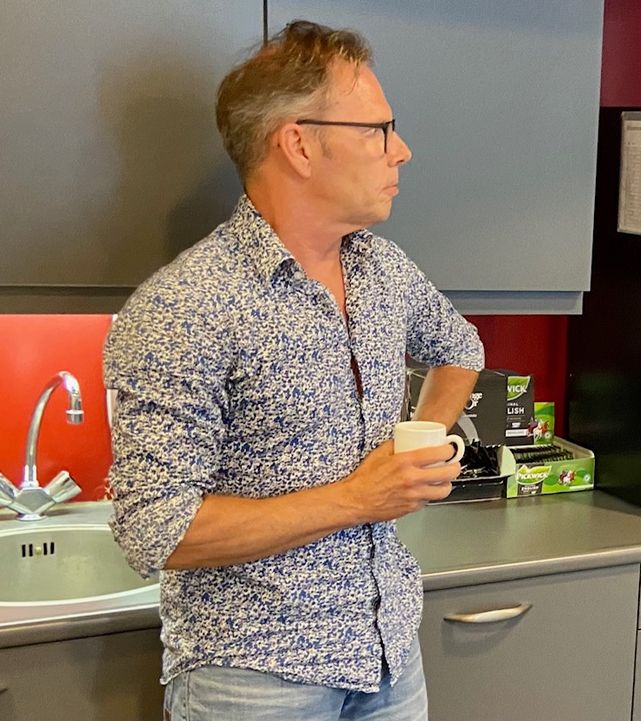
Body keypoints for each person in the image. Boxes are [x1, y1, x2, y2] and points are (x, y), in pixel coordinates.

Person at [104, 21, 483, 721]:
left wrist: (418, 449)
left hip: (388, 652)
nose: (401, 150)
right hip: (254, 676)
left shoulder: (383, 268)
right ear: (300, 143)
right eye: (377, 129)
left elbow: (461, 347)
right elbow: (156, 530)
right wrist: (359, 496)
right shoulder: (183, 307)